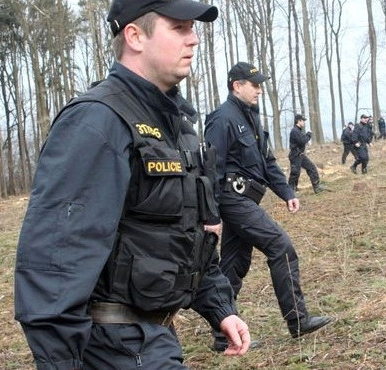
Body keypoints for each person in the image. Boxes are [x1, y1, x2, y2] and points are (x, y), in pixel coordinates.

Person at [13, 1, 252, 369]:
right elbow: (55, 261)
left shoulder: (179, 127)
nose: (194, 40)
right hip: (109, 346)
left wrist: (219, 307)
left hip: (154, 339)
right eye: (180, 28)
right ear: (135, 36)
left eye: (193, 29)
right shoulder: (97, 123)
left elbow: (188, 237)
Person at [204, 62, 332, 351]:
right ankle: (297, 320)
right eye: (255, 85)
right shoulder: (221, 119)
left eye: (261, 84)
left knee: (233, 267)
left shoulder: (252, 119)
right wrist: (211, 214)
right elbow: (211, 169)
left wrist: (286, 192)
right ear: (237, 85)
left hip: (248, 198)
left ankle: (221, 333)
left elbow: (267, 162)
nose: (260, 89)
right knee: (280, 246)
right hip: (231, 199)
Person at [287, 114, 325, 194]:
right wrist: (308, 134)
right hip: (295, 155)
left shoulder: (298, 130)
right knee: (295, 174)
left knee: (312, 168)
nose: (304, 122)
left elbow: (302, 140)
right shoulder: (294, 131)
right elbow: (303, 140)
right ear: (298, 121)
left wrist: (307, 135)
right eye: (303, 120)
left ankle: (317, 187)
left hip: (301, 155)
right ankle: (291, 192)